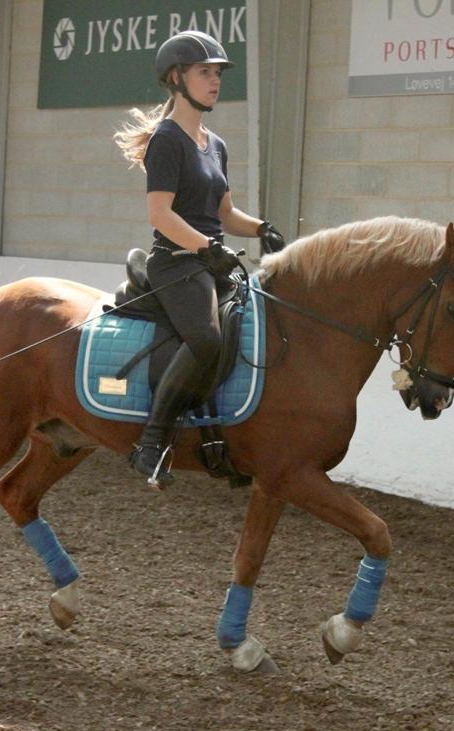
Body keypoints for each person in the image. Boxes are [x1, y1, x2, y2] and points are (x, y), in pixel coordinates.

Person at [113, 30, 285, 489]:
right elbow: (160, 214)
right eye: (204, 72)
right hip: (176, 262)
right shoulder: (167, 141)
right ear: (176, 78)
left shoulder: (216, 144)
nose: (215, 81)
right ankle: (151, 444)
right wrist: (208, 248)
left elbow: (225, 214)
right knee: (207, 339)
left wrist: (262, 228)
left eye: (217, 73)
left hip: (210, 261)